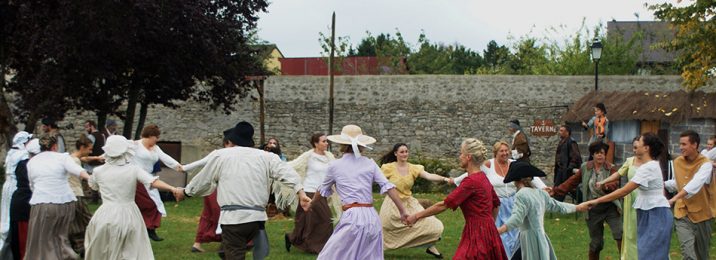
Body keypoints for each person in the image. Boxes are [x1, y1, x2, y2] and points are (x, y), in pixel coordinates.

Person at [181, 121, 312, 260]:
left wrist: (185, 192)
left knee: (234, 254)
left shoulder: (221, 155)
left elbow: (202, 180)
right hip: (256, 221)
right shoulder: (266, 157)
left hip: (234, 220)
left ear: (231, 140)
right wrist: (301, 193)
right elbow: (289, 174)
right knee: (226, 252)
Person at [313, 125, 409, 260]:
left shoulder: (335, 166)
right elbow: (388, 187)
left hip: (352, 218)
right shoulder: (370, 163)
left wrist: (311, 203)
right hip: (372, 219)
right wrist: (403, 211)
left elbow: (321, 190)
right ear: (362, 145)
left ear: (341, 144)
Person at [84, 135, 184, 259]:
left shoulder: (98, 171)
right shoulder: (133, 169)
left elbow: (93, 185)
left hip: (105, 215)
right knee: (131, 250)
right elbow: (152, 182)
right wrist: (173, 188)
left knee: (105, 250)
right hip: (129, 215)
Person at [406, 138, 507, 260]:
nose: (459, 157)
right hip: (488, 230)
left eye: (461, 153)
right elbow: (496, 204)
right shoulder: (482, 177)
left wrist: (416, 216)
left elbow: (443, 205)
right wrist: (490, 224)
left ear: (468, 157)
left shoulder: (471, 181)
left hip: (477, 233)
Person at [583, 133, 673, 260]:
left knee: (652, 255)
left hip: (656, 213)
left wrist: (597, 200)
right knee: (644, 252)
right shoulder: (645, 166)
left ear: (646, 148)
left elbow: (624, 191)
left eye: (640, 141)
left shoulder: (649, 167)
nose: (636, 144)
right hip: (645, 212)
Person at [452, 141, 547, 259]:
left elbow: (529, 174)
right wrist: (455, 180)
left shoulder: (514, 164)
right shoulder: (488, 165)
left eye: (506, 150)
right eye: (501, 151)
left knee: (515, 233)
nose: (505, 153)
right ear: (495, 153)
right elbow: (474, 173)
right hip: (498, 204)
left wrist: (543, 187)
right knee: (500, 234)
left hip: (513, 204)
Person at [497, 161, 589, 260]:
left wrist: (499, 230)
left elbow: (517, 218)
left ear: (516, 179)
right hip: (540, 237)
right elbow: (558, 206)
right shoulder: (541, 193)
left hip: (530, 239)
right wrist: (577, 207)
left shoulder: (521, 194)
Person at [549, 141, 622, 260]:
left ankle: (624, 257)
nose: (600, 156)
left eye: (602, 153)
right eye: (597, 153)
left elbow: (615, 184)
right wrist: (555, 190)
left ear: (605, 155)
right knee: (596, 243)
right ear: (592, 155)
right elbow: (572, 181)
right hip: (592, 208)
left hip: (610, 207)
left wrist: (606, 186)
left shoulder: (611, 168)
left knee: (620, 234)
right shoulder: (585, 167)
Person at [25, 134, 91, 260]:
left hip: (43, 203)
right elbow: (77, 170)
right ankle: (64, 256)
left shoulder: (32, 162)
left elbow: (32, 184)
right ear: (55, 146)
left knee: (43, 238)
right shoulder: (62, 157)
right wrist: (90, 178)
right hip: (66, 203)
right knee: (61, 236)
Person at [378, 143, 448, 258]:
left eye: (406, 151)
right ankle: (375, 250)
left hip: (409, 203)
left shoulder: (413, 168)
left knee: (432, 224)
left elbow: (429, 176)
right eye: (402, 152)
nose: (405, 154)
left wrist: (445, 179)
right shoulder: (388, 168)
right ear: (396, 154)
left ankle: (430, 246)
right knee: (386, 229)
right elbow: (375, 179)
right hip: (392, 204)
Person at [284, 133, 337, 254]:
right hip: (309, 191)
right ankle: (318, 247)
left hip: (322, 192)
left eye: (327, 141)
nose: (326, 143)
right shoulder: (308, 156)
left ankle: (292, 237)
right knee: (325, 219)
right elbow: (291, 166)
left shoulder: (329, 156)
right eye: (324, 141)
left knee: (305, 220)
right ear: (316, 143)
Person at [665, 130, 714, 260]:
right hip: (682, 213)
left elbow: (695, 185)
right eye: (680, 144)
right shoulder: (677, 162)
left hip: (702, 215)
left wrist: (674, 198)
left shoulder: (706, 164)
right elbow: (679, 183)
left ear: (695, 145)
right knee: (688, 254)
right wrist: (660, 184)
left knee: (702, 256)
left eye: (684, 144)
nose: (680, 147)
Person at [184, 129, 235, 254]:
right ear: (227, 143)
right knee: (221, 214)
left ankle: (198, 243)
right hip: (217, 190)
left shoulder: (231, 154)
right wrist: (183, 168)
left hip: (217, 190)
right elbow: (201, 163)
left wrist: (184, 168)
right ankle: (224, 244)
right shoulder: (220, 154)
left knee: (208, 215)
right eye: (232, 143)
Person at [131, 124, 183, 241]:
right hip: (136, 180)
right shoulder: (135, 145)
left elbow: (165, 157)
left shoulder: (155, 148)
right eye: (156, 137)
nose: (157, 139)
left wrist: (178, 166)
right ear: (150, 136)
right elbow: (116, 151)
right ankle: (143, 229)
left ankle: (150, 229)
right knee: (147, 204)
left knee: (156, 204)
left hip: (150, 179)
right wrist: (99, 157)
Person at [593, 137, 642, 260]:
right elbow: (618, 174)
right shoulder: (630, 161)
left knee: (642, 231)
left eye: (638, 147)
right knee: (630, 232)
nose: (635, 150)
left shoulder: (651, 164)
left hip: (644, 199)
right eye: (634, 147)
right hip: (631, 200)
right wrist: (604, 181)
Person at [0, 131, 32, 258]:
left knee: (5, 219)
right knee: (8, 221)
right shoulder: (22, 154)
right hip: (15, 186)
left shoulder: (11, 153)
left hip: (7, 187)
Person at [7, 138, 38, 260]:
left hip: (25, 204)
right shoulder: (25, 165)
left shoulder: (28, 164)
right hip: (23, 206)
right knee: (22, 245)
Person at [67, 135, 95, 256]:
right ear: (82, 147)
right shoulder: (74, 161)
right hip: (75, 194)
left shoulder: (71, 157)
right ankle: (83, 246)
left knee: (75, 222)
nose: (90, 152)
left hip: (71, 194)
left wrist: (98, 157)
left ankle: (78, 247)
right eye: (89, 149)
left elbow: (84, 159)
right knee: (88, 220)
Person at [553, 125, 582, 202]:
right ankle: (556, 205)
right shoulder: (562, 142)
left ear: (567, 132)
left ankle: (583, 201)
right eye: (560, 130)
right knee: (558, 188)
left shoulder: (571, 142)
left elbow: (575, 156)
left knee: (571, 188)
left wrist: (570, 168)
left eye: (562, 131)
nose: (560, 132)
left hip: (566, 170)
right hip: (560, 170)